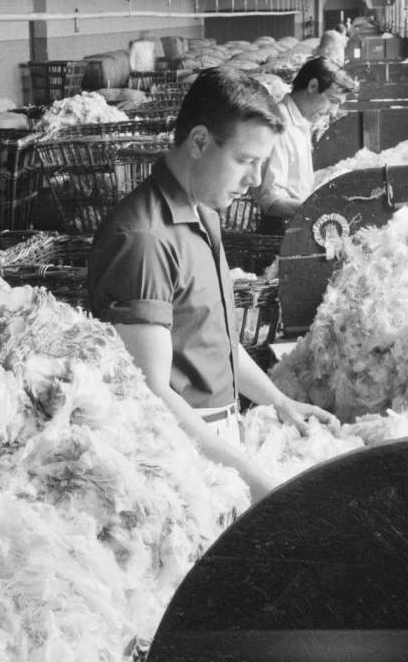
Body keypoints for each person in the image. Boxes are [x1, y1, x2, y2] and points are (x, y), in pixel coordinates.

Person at [87, 66, 338, 503]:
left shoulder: (203, 213)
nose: (256, 181)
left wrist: (279, 402)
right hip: (178, 458)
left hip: (216, 444)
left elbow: (219, 341)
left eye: (261, 164)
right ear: (200, 141)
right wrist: (254, 481)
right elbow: (151, 393)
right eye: (245, 161)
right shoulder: (144, 239)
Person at [253, 57, 357, 227]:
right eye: (332, 101)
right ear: (313, 86)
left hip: (297, 219)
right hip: (280, 228)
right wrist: (319, 210)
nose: (333, 112)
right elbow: (271, 199)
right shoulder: (281, 126)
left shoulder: (302, 121)